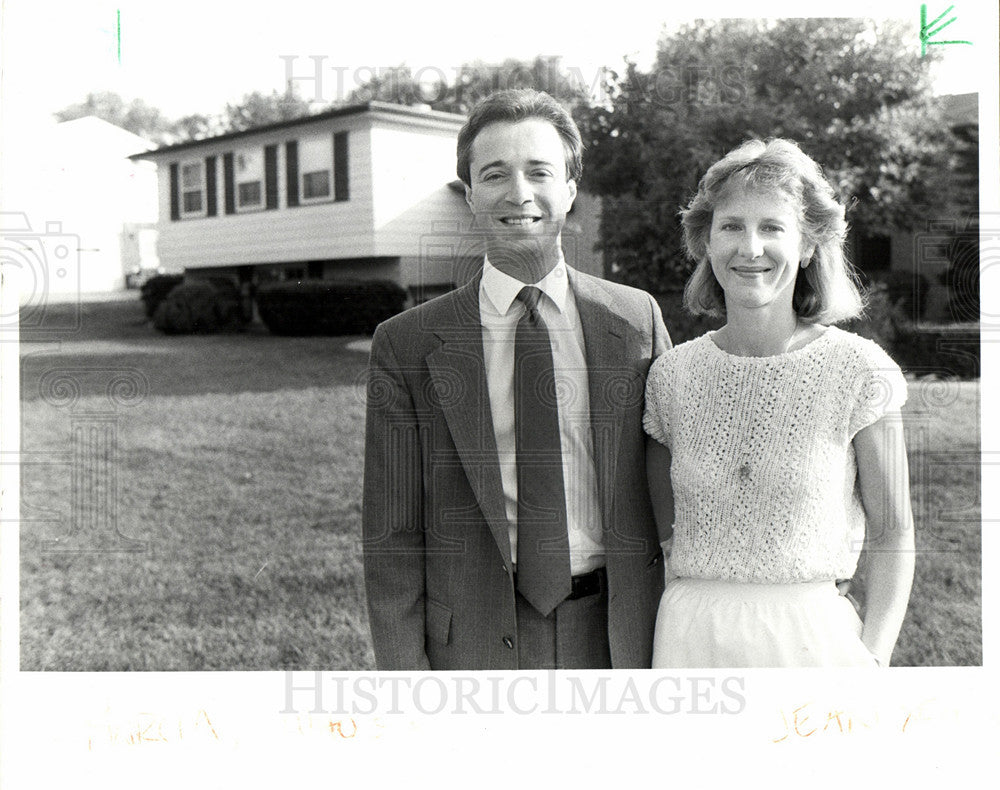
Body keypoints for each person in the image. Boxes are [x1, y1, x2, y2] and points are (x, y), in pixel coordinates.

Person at [362, 89, 670, 670]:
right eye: (495, 173)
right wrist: (404, 681)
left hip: (622, 635)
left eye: (539, 172)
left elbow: (684, 482)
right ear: (471, 194)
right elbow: (392, 534)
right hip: (471, 644)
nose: (519, 193)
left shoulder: (634, 321)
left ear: (570, 190)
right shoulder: (407, 344)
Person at [643, 138, 914, 668]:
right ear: (705, 242)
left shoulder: (860, 370)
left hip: (811, 642)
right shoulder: (671, 376)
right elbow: (661, 534)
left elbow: (893, 531)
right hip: (689, 638)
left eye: (772, 227)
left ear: (809, 244)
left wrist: (873, 660)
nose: (750, 248)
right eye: (731, 226)